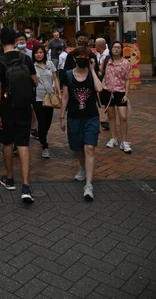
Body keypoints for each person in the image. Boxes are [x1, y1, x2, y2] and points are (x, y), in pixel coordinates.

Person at [0, 27, 37, 203]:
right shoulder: (25, 58)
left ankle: (10, 178)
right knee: (24, 143)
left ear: (1, 41)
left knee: (7, 143)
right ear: (16, 40)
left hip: (6, 107)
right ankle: (26, 186)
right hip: (24, 105)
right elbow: (35, 80)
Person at [60, 46, 103, 201]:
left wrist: (92, 69)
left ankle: (88, 185)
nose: (83, 59)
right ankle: (82, 167)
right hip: (74, 117)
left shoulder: (92, 75)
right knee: (78, 149)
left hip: (91, 117)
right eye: (80, 56)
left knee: (90, 148)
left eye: (86, 56)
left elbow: (99, 88)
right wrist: (61, 117)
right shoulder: (68, 75)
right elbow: (65, 97)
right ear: (74, 58)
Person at [100, 41, 132, 153]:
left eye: (119, 47)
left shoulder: (125, 63)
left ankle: (124, 141)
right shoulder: (106, 61)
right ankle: (113, 138)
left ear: (121, 49)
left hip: (120, 92)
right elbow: (101, 73)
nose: (117, 49)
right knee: (111, 116)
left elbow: (128, 79)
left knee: (123, 117)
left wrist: (126, 94)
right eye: (115, 47)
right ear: (111, 49)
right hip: (108, 92)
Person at [33, 46, 62, 158]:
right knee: (41, 120)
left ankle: (42, 136)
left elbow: (55, 79)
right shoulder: (32, 66)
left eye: (40, 52)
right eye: (36, 53)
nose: (39, 55)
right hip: (38, 97)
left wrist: (59, 93)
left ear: (44, 54)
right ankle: (44, 145)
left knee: (48, 121)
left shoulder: (50, 64)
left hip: (50, 96)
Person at [95, 37, 110, 131]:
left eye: (96, 44)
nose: (94, 46)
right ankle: (108, 118)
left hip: (107, 81)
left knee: (107, 99)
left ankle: (109, 119)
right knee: (103, 99)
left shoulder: (107, 55)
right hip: (101, 80)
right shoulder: (98, 55)